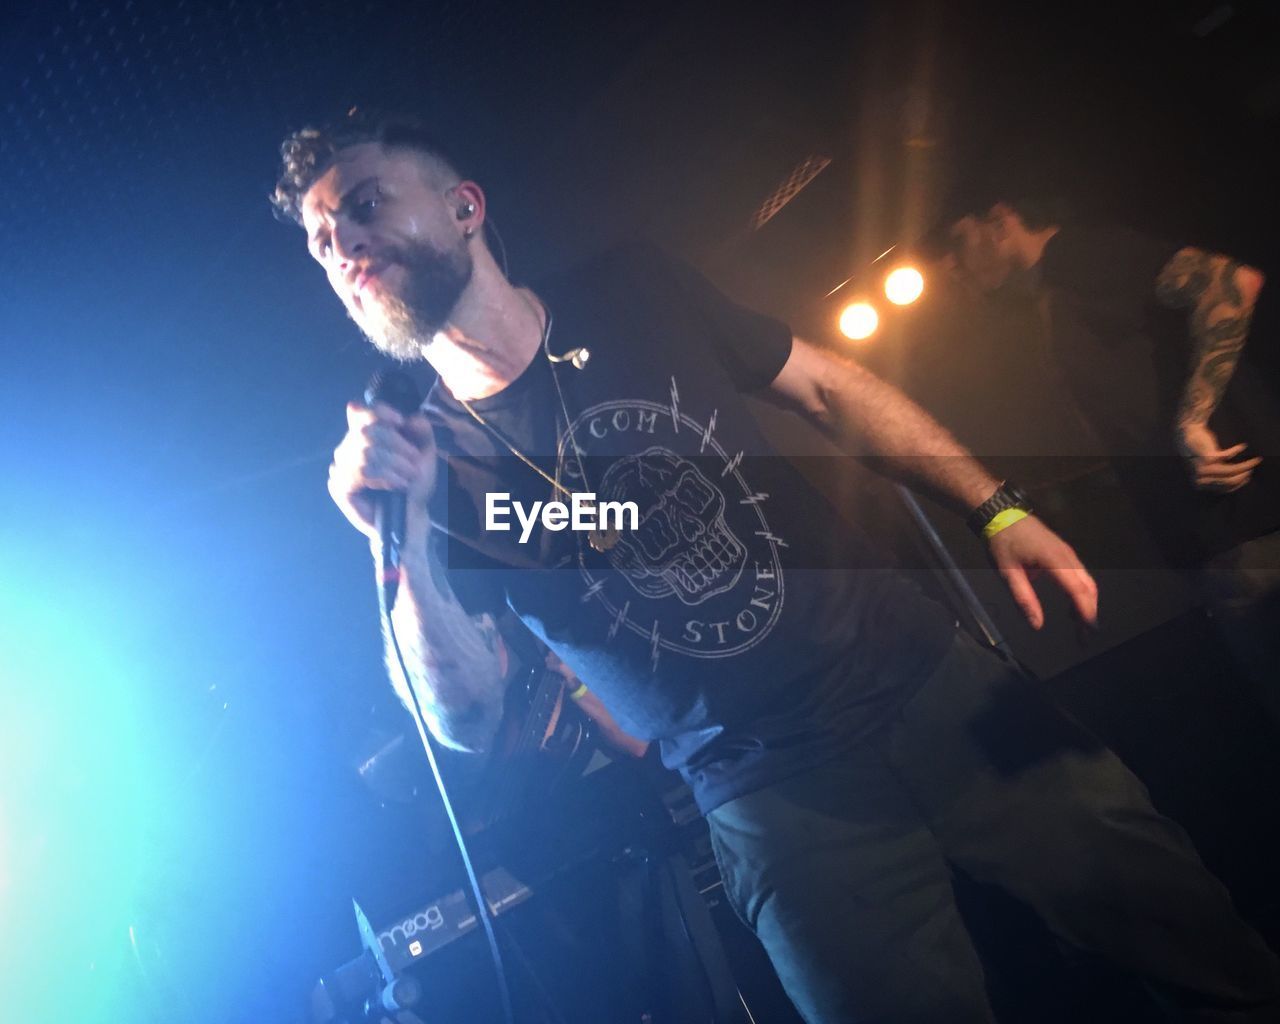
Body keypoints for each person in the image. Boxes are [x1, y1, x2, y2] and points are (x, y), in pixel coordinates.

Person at [272, 112, 1280, 1022]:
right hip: (767, 797)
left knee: (1193, 940)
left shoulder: (628, 288)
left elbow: (827, 389)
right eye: (322, 240)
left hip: (931, 684)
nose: (344, 244)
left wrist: (995, 504)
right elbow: (466, 719)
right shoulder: (426, 468)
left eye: (362, 206)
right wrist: (394, 544)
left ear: (462, 208)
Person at [938, 197, 1280, 713]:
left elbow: (1230, 279)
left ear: (1002, 221)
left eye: (956, 242)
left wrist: (1194, 417)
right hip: (1226, 542)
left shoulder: (1078, 254)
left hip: (1253, 528)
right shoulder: (1054, 295)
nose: (951, 264)